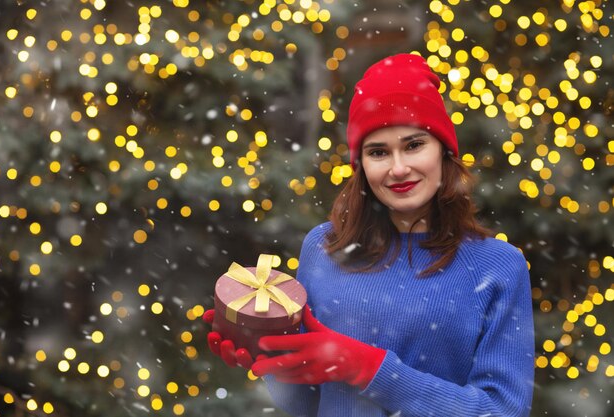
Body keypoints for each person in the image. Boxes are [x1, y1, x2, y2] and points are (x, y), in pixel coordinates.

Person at [203, 53, 535, 417]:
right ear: (361, 165)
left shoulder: (499, 266)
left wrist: (372, 370)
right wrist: (268, 352)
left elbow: (502, 410)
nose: (398, 168)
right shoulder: (323, 248)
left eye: (413, 145)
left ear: (443, 150)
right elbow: (305, 404)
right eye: (379, 152)